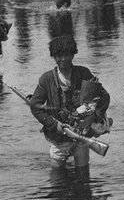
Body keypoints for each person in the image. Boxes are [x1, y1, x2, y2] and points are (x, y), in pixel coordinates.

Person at [28, 34, 111, 168]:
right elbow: (35, 106)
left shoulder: (83, 73)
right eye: (59, 55)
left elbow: (104, 96)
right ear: (54, 57)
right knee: (57, 176)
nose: (63, 59)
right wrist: (54, 125)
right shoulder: (46, 79)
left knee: (83, 174)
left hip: (82, 136)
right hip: (58, 138)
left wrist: (93, 118)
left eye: (67, 54)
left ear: (73, 55)